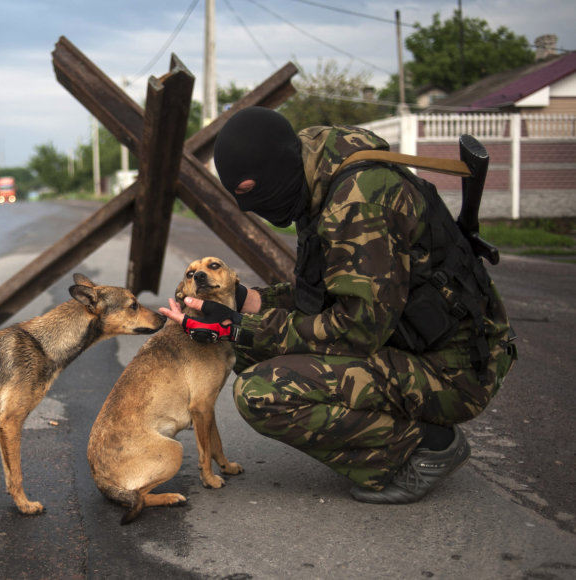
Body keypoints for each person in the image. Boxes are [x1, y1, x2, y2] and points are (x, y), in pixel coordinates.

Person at [159, 106, 517, 504]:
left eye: (251, 191)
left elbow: (357, 329)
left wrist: (237, 327)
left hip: (457, 371)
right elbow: (324, 294)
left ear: (276, 170)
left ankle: (422, 446)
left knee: (261, 391)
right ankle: (385, 428)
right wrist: (243, 303)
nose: (250, 207)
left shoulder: (357, 202)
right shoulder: (316, 174)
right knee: (249, 345)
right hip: (412, 342)